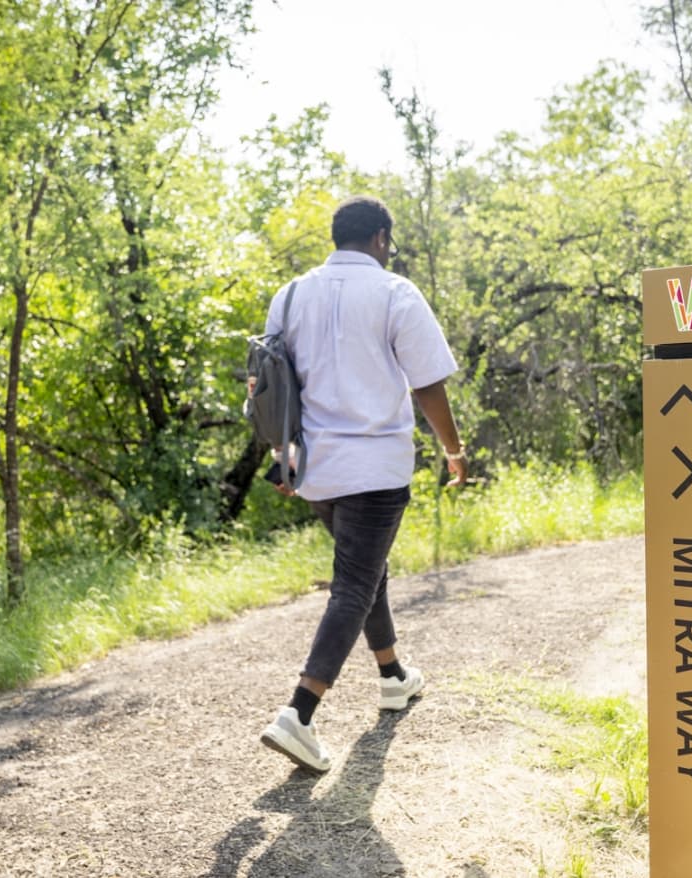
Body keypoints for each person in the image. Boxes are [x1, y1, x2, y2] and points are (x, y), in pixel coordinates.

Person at [257, 195, 467, 773]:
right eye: (389, 242)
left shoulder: (291, 294)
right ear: (381, 238)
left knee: (366, 572)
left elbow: (270, 384)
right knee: (354, 582)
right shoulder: (395, 292)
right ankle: (298, 714)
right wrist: (454, 450)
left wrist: (282, 456)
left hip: (318, 472)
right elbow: (428, 386)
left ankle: (394, 675)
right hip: (375, 469)